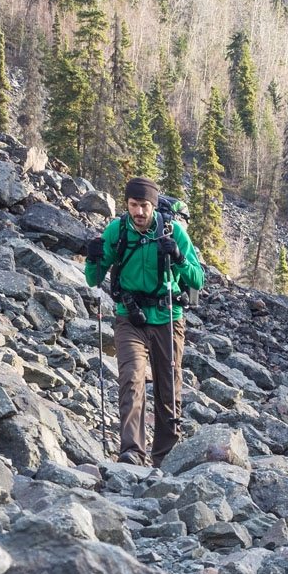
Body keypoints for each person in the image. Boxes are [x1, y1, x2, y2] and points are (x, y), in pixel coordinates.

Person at [85, 176, 204, 467]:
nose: (139, 212)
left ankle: (165, 457)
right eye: (134, 205)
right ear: (127, 205)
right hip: (129, 317)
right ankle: (132, 452)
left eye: (145, 206)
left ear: (153, 205)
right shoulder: (117, 231)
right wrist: (93, 258)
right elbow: (93, 279)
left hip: (167, 317)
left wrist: (177, 256)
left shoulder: (172, 231)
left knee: (168, 388)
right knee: (131, 378)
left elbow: (197, 279)